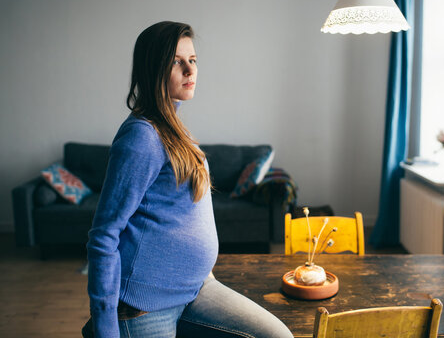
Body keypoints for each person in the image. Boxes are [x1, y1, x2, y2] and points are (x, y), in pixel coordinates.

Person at [84, 21, 293, 338]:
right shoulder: (140, 137)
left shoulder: (171, 125)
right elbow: (103, 235)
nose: (189, 70)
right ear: (153, 69)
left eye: (192, 60)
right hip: (145, 306)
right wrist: (104, 326)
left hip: (196, 287)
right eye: (176, 62)